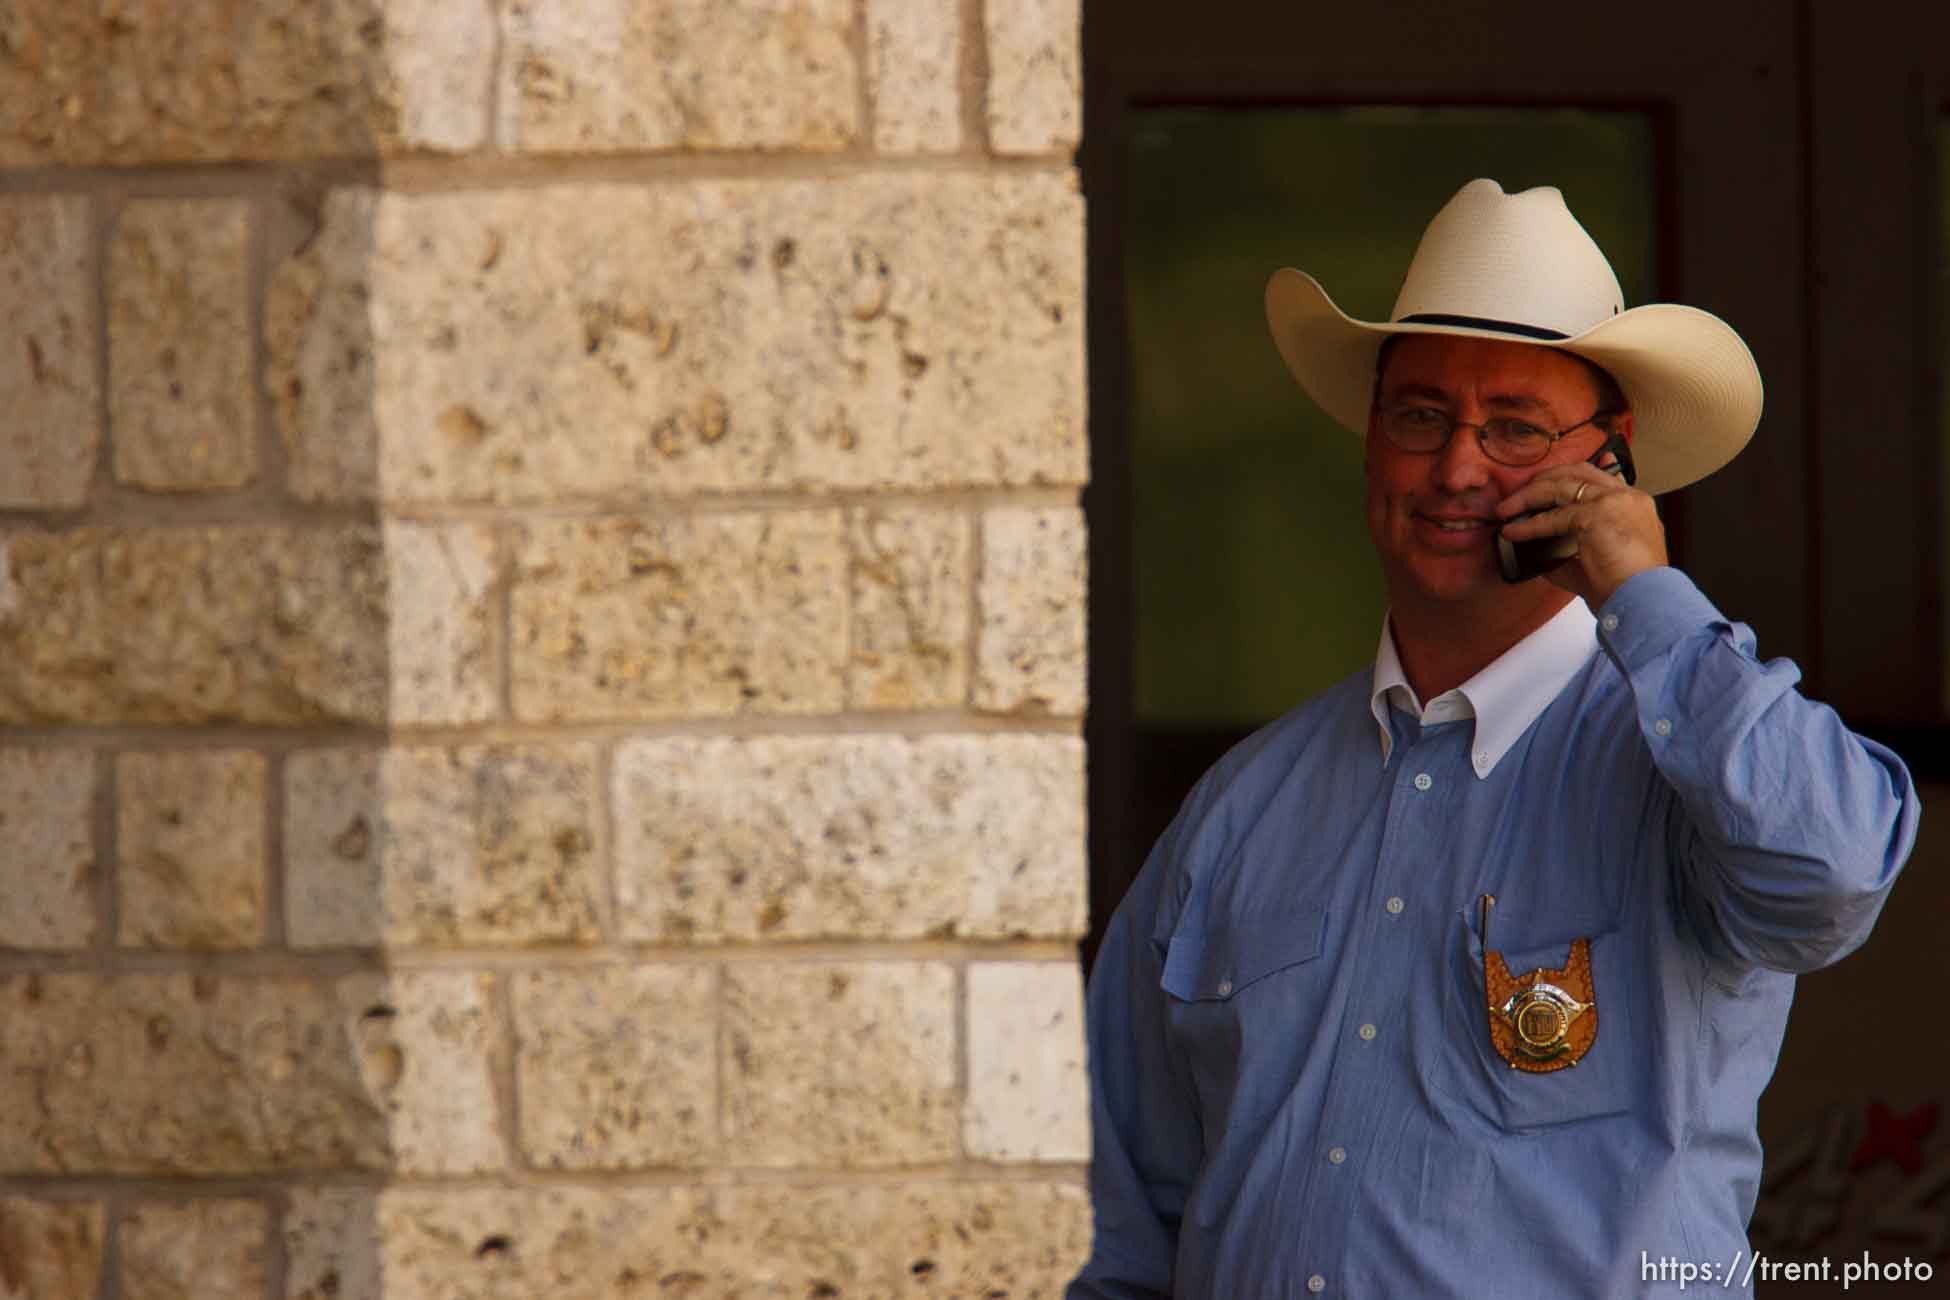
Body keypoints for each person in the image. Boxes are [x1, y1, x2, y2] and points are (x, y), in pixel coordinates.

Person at [1069, 179, 1921, 1298]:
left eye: (1514, 426)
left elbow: (1835, 869)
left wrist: (1646, 590)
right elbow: (1112, 1222)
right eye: (1421, 415)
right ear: (1371, 441)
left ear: (1609, 462)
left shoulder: (1687, 774)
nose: (1459, 468)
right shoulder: (1240, 807)